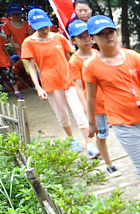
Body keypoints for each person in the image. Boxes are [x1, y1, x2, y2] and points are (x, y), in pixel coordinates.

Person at [82, 15, 140, 209]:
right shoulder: (90, 66)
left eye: (110, 31)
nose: (108, 36)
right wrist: (91, 123)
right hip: (121, 122)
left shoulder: (133, 57)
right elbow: (91, 98)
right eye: (101, 34)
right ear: (92, 39)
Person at [20, 8, 91, 154]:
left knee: (79, 112)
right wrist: (38, 88)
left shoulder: (58, 37)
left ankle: (90, 143)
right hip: (50, 83)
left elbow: (70, 56)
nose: (45, 30)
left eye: (46, 26)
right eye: (40, 28)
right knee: (62, 115)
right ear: (33, 26)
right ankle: (72, 139)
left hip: (68, 79)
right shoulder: (28, 42)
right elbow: (31, 67)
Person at [67, 19, 117, 172]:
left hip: (110, 100)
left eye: (88, 35)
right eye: (81, 37)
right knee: (102, 133)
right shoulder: (74, 61)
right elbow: (78, 87)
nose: (86, 40)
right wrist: (87, 109)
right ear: (73, 40)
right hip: (95, 104)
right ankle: (109, 164)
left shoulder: (97, 53)